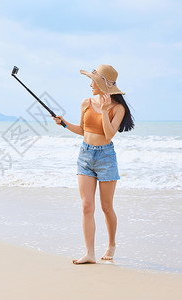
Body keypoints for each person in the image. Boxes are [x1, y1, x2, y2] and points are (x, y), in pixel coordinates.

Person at [53, 64, 134, 264]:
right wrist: (64, 123)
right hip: (85, 156)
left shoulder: (118, 108)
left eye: (94, 82)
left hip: (106, 158)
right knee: (87, 206)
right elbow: (82, 130)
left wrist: (105, 110)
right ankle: (89, 253)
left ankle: (111, 245)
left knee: (106, 207)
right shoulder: (86, 103)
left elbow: (108, 134)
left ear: (103, 86)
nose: (90, 85)